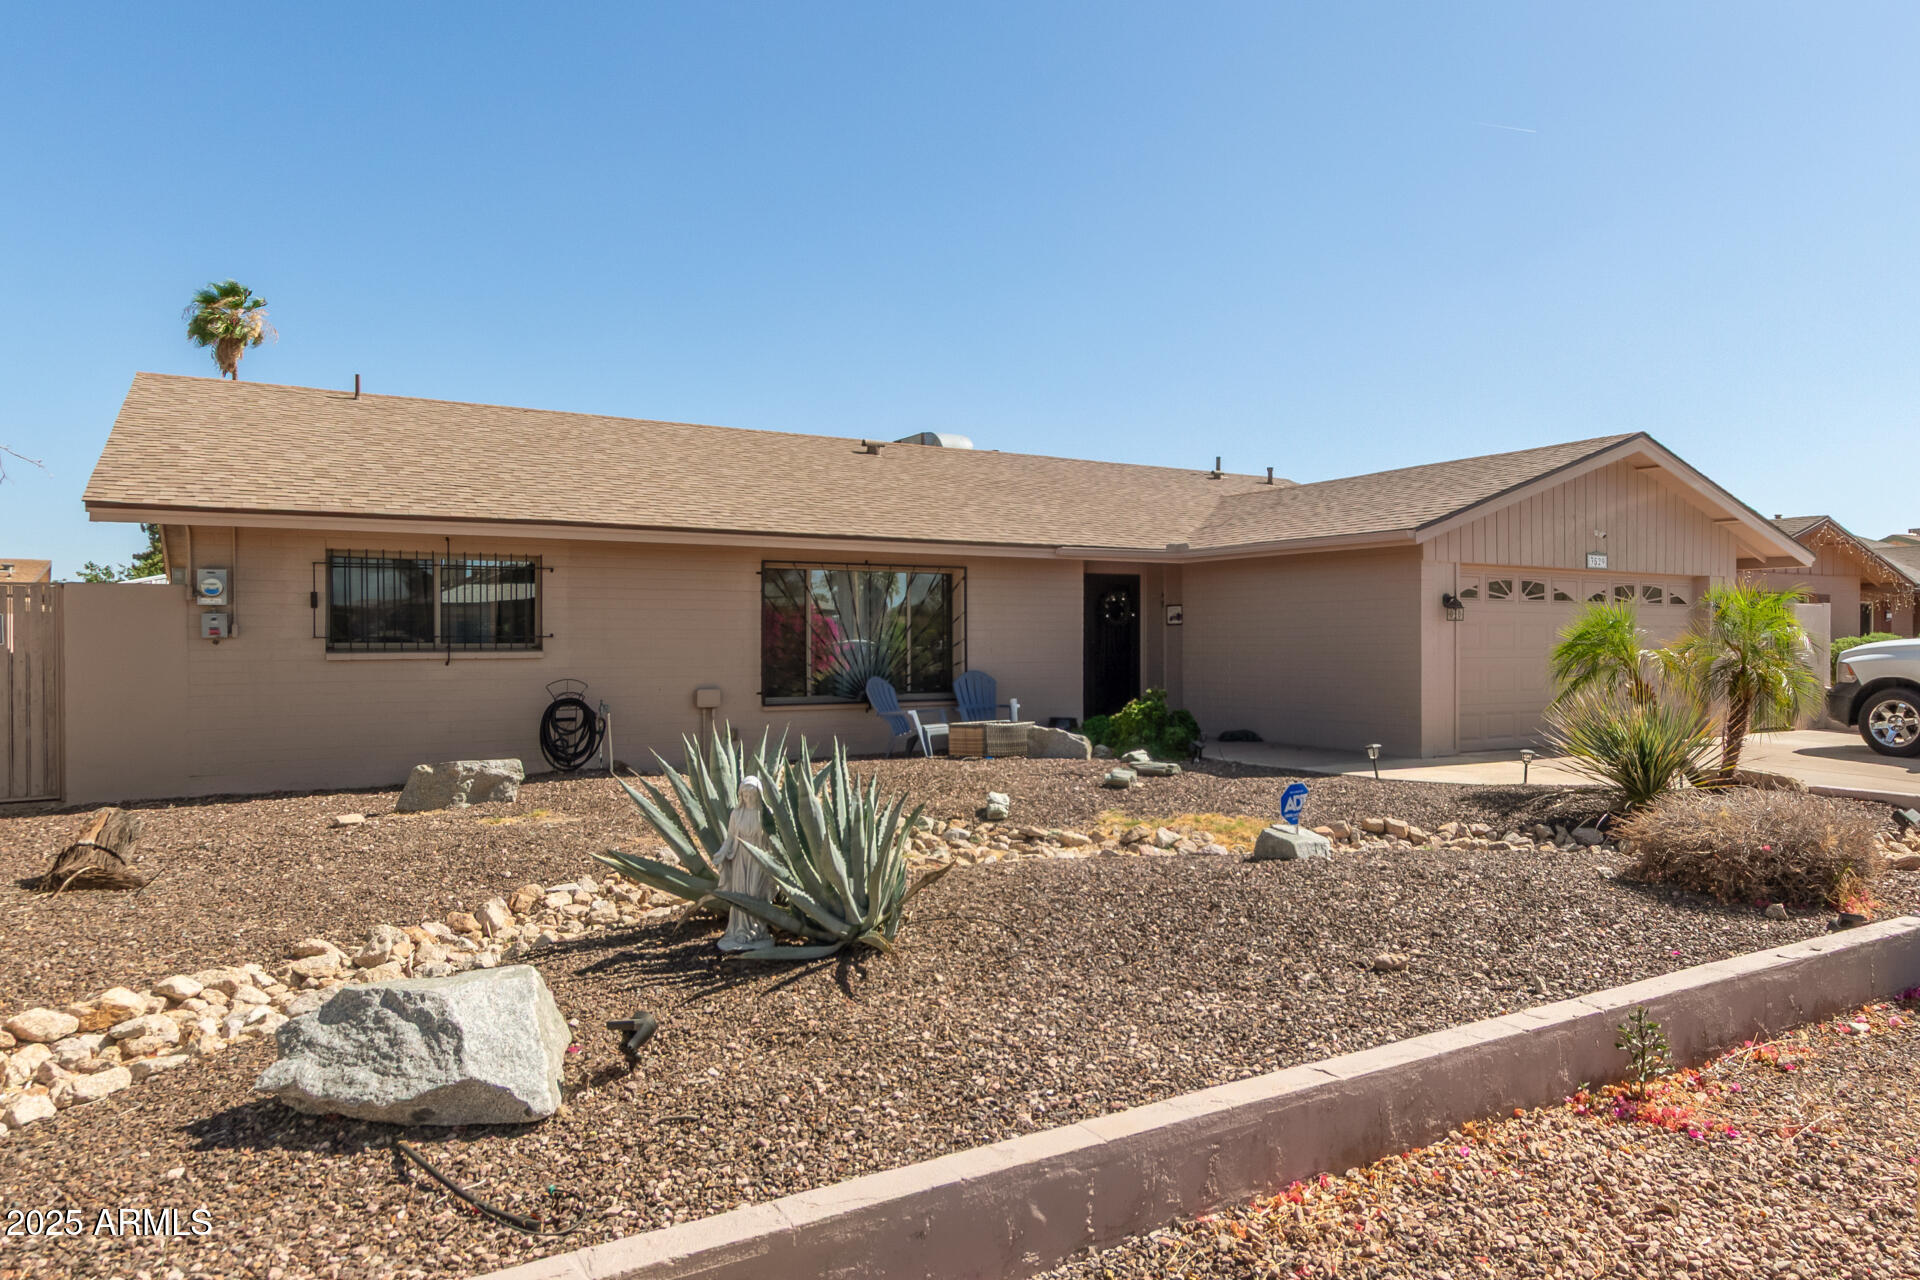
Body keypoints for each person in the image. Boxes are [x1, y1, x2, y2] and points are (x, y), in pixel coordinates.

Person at [713, 776, 772, 951]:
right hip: (740, 858)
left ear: (758, 795)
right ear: (741, 796)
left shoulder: (765, 814)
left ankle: (757, 930)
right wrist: (722, 852)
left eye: (752, 795)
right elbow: (730, 838)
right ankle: (739, 931)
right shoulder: (736, 814)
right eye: (745, 795)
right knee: (740, 894)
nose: (748, 799)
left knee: (755, 893)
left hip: (758, 859)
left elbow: (772, 841)